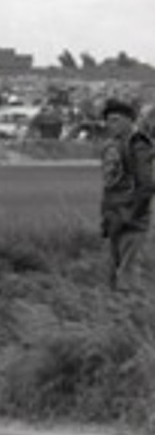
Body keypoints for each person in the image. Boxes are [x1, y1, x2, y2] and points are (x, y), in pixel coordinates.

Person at [99, 98, 155, 291]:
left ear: (129, 120)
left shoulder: (138, 143)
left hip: (132, 216)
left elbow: (146, 185)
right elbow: (110, 184)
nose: (109, 124)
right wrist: (107, 215)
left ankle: (132, 315)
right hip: (114, 213)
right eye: (108, 120)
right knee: (113, 273)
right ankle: (115, 315)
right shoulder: (111, 145)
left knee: (127, 274)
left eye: (115, 119)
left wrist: (133, 214)